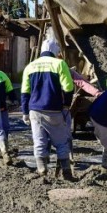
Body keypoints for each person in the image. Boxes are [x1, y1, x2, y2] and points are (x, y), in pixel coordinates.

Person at [21, 49, 75, 179]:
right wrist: (66, 105)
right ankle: (67, 173)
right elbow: (68, 88)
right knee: (61, 142)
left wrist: (25, 112)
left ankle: (42, 172)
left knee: (39, 142)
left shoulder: (30, 66)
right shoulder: (59, 64)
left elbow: (25, 92)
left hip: (35, 110)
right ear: (54, 54)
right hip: (54, 110)